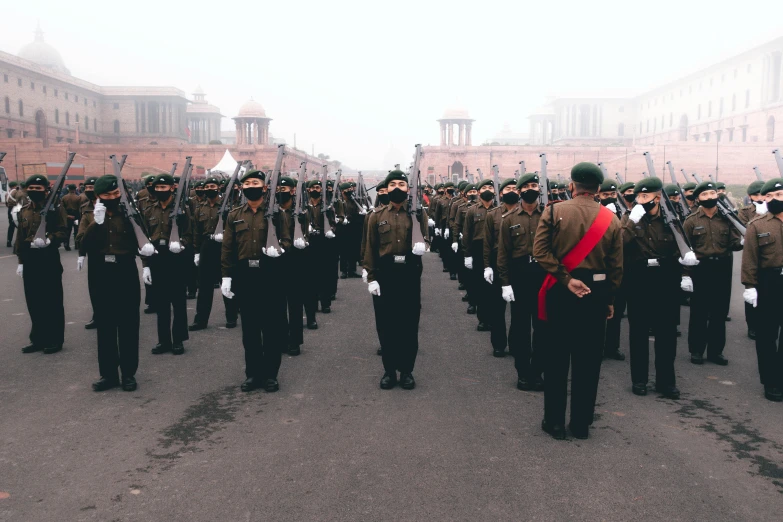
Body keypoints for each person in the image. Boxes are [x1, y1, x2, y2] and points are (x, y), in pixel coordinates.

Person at [533, 163, 622, 440]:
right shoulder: (612, 219)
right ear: (598, 189)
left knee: (557, 360)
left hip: (561, 293)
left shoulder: (553, 211)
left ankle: (555, 422)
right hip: (594, 296)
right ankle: (581, 424)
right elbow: (616, 268)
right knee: (588, 362)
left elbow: (539, 251)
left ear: (572, 186)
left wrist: (565, 277)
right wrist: (608, 300)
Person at [624, 176, 695, 400]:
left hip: (666, 277)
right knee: (638, 331)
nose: (641, 200)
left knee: (666, 332)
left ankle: (666, 381)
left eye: (646, 196)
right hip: (639, 277)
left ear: (657, 198)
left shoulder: (672, 220)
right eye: (639, 196)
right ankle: (639, 379)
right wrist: (630, 222)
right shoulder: (630, 218)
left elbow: (683, 249)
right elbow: (617, 244)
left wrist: (686, 273)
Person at [221, 169, 290, 392]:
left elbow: (287, 241)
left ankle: (270, 375)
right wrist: (226, 276)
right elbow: (228, 248)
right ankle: (253, 374)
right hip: (245, 275)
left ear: (265, 187)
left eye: (256, 182)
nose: (252, 186)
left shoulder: (278, 214)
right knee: (249, 330)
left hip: (271, 274)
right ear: (241, 188)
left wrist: (278, 250)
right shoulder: (234, 214)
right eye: (248, 183)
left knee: (271, 328)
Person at [364, 170, 428, 390]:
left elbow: (426, 238)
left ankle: (407, 371)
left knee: (409, 325)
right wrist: (371, 277)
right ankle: (389, 371)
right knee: (387, 325)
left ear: (408, 189)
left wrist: (424, 245)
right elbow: (369, 249)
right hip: (385, 274)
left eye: (402, 184)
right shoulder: (376, 216)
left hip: (409, 274)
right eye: (393, 185)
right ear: (387, 189)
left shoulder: (418, 213)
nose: (398, 188)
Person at [80, 175, 144, 392]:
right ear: (98, 196)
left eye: (116, 194)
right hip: (100, 271)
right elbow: (82, 244)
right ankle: (108, 374)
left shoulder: (130, 214)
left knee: (128, 324)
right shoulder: (89, 215)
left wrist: (148, 258)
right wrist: (95, 225)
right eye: (107, 195)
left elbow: (142, 241)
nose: (112, 198)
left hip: (125, 269)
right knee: (105, 325)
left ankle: (128, 374)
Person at [682, 181, 743, 367]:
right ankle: (697, 350)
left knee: (719, 311)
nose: (709, 197)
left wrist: (743, 241)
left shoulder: (727, 218)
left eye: (712, 193)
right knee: (699, 311)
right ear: (698, 199)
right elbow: (684, 248)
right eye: (704, 195)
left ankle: (716, 351)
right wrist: (685, 274)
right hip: (701, 268)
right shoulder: (691, 221)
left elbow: (734, 243)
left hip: (722, 267)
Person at [498, 173, 546, 390]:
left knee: (542, 326)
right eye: (526, 186)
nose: (530, 189)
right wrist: (505, 282)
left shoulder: (548, 215)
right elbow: (503, 253)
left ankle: (538, 371)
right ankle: (523, 372)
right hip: (519, 274)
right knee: (520, 327)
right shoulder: (509, 219)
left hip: (543, 273)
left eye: (534, 185)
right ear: (519, 191)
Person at [14, 174, 67, 354]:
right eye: (32, 188)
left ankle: (54, 340)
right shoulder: (24, 210)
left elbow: (63, 231)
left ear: (46, 190)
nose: (34, 191)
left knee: (52, 301)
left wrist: (50, 240)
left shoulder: (55, 209)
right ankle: (37, 339)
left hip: (48, 258)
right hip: (30, 259)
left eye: (39, 188)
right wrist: (21, 261)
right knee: (34, 301)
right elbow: (20, 237)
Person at [741, 177, 783, 402]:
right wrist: (750, 286)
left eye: (779, 195)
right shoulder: (757, 225)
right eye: (769, 196)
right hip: (769, 283)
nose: (774, 199)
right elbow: (749, 259)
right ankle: (771, 381)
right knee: (766, 335)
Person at [141, 173, 191, 355]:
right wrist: (145, 264)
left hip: (176, 258)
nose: (160, 190)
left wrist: (182, 243)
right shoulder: (149, 210)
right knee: (161, 303)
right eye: (157, 187)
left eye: (164, 187)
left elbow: (189, 233)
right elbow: (144, 237)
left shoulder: (182, 209)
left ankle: (178, 340)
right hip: (156, 257)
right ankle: (164, 340)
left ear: (172, 188)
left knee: (178, 302)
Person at [189, 176, 238, 331]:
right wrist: (196, 251)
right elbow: (196, 231)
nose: (210, 189)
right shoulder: (199, 208)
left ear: (219, 187)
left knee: (227, 281)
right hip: (206, 246)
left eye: (213, 186)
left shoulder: (228, 206)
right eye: (207, 186)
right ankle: (201, 320)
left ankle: (231, 317)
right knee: (204, 285)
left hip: (224, 246)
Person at [483, 177, 518, 357]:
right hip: (498, 262)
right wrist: (487, 266)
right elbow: (487, 243)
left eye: (514, 188)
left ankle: (515, 343)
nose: (511, 191)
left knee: (518, 309)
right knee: (497, 308)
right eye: (508, 188)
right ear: (501, 193)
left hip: (517, 263)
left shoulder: (523, 213)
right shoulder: (493, 215)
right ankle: (498, 343)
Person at [462, 179, 497, 331]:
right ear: (479, 192)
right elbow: (467, 234)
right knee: (481, 286)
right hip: (478, 249)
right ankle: (483, 319)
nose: (488, 190)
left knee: (494, 288)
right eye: (484, 187)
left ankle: (494, 319)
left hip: (496, 250)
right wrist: (467, 254)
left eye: (490, 187)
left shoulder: (500, 210)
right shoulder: (472, 210)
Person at [598, 179, 626, 361]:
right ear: (598, 196)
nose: (609, 198)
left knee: (616, 309)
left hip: (618, 267)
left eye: (612, 195)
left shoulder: (624, 212)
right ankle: (598, 346)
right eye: (605, 195)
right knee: (599, 311)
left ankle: (612, 346)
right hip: (600, 267)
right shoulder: (595, 212)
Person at [303, 179, 337, 326]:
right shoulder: (304, 206)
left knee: (324, 274)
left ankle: (325, 303)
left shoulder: (327, 207)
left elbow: (333, 223)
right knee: (310, 276)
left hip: (324, 242)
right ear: (309, 190)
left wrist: (330, 230)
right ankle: (313, 303)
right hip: (309, 242)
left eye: (318, 187)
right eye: (313, 187)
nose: (315, 189)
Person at [361, 181, 388, 356]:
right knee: (383, 312)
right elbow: (366, 243)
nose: (385, 193)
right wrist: (366, 267)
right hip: (380, 268)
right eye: (382, 191)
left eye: (387, 190)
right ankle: (385, 343)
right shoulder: (372, 215)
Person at [738, 180, 767, 339]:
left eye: (763, 194)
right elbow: (745, 229)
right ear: (750, 196)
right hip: (753, 256)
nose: (760, 197)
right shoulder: (745, 211)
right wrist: (759, 215)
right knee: (752, 291)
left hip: (771, 256)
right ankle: (752, 325)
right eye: (756, 194)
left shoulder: (774, 209)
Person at [75, 176, 100, 329]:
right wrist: (82, 253)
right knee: (95, 287)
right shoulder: (85, 207)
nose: (89, 190)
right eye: (87, 188)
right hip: (95, 253)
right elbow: (80, 235)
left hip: (112, 252)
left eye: (92, 188)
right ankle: (97, 315)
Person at [336, 182, 362, 278]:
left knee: (353, 249)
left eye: (350, 189)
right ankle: (343, 271)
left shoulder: (353, 201)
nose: (349, 191)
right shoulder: (339, 201)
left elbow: (357, 212)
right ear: (342, 191)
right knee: (343, 250)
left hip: (353, 228)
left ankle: (352, 270)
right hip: (343, 229)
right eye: (347, 190)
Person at [61, 184, 81, 251]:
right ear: (75, 189)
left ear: (68, 189)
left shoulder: (64, 197)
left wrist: (67, 216)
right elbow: (79, 208)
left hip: (68, 215)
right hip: (76, 216)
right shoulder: (78, 197)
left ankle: (66, 245)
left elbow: (62, 208)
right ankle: (76, 245)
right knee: (76, 230)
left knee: (68, 231)